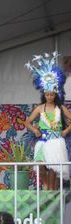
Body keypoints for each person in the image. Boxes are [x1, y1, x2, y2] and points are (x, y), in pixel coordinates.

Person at [25, 52, 71, 189]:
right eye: (47, 94)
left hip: (56, 140)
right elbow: (27, 122)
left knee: (53, 167)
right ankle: (45, 185)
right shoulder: (40, 108)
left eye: (51, 94)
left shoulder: (60, 107)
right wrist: (34, 129)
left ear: (55, 94)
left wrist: (66, 130)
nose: (49, 97)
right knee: (40, 165)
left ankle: (51, 189)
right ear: (44, 94)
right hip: (43, 140)